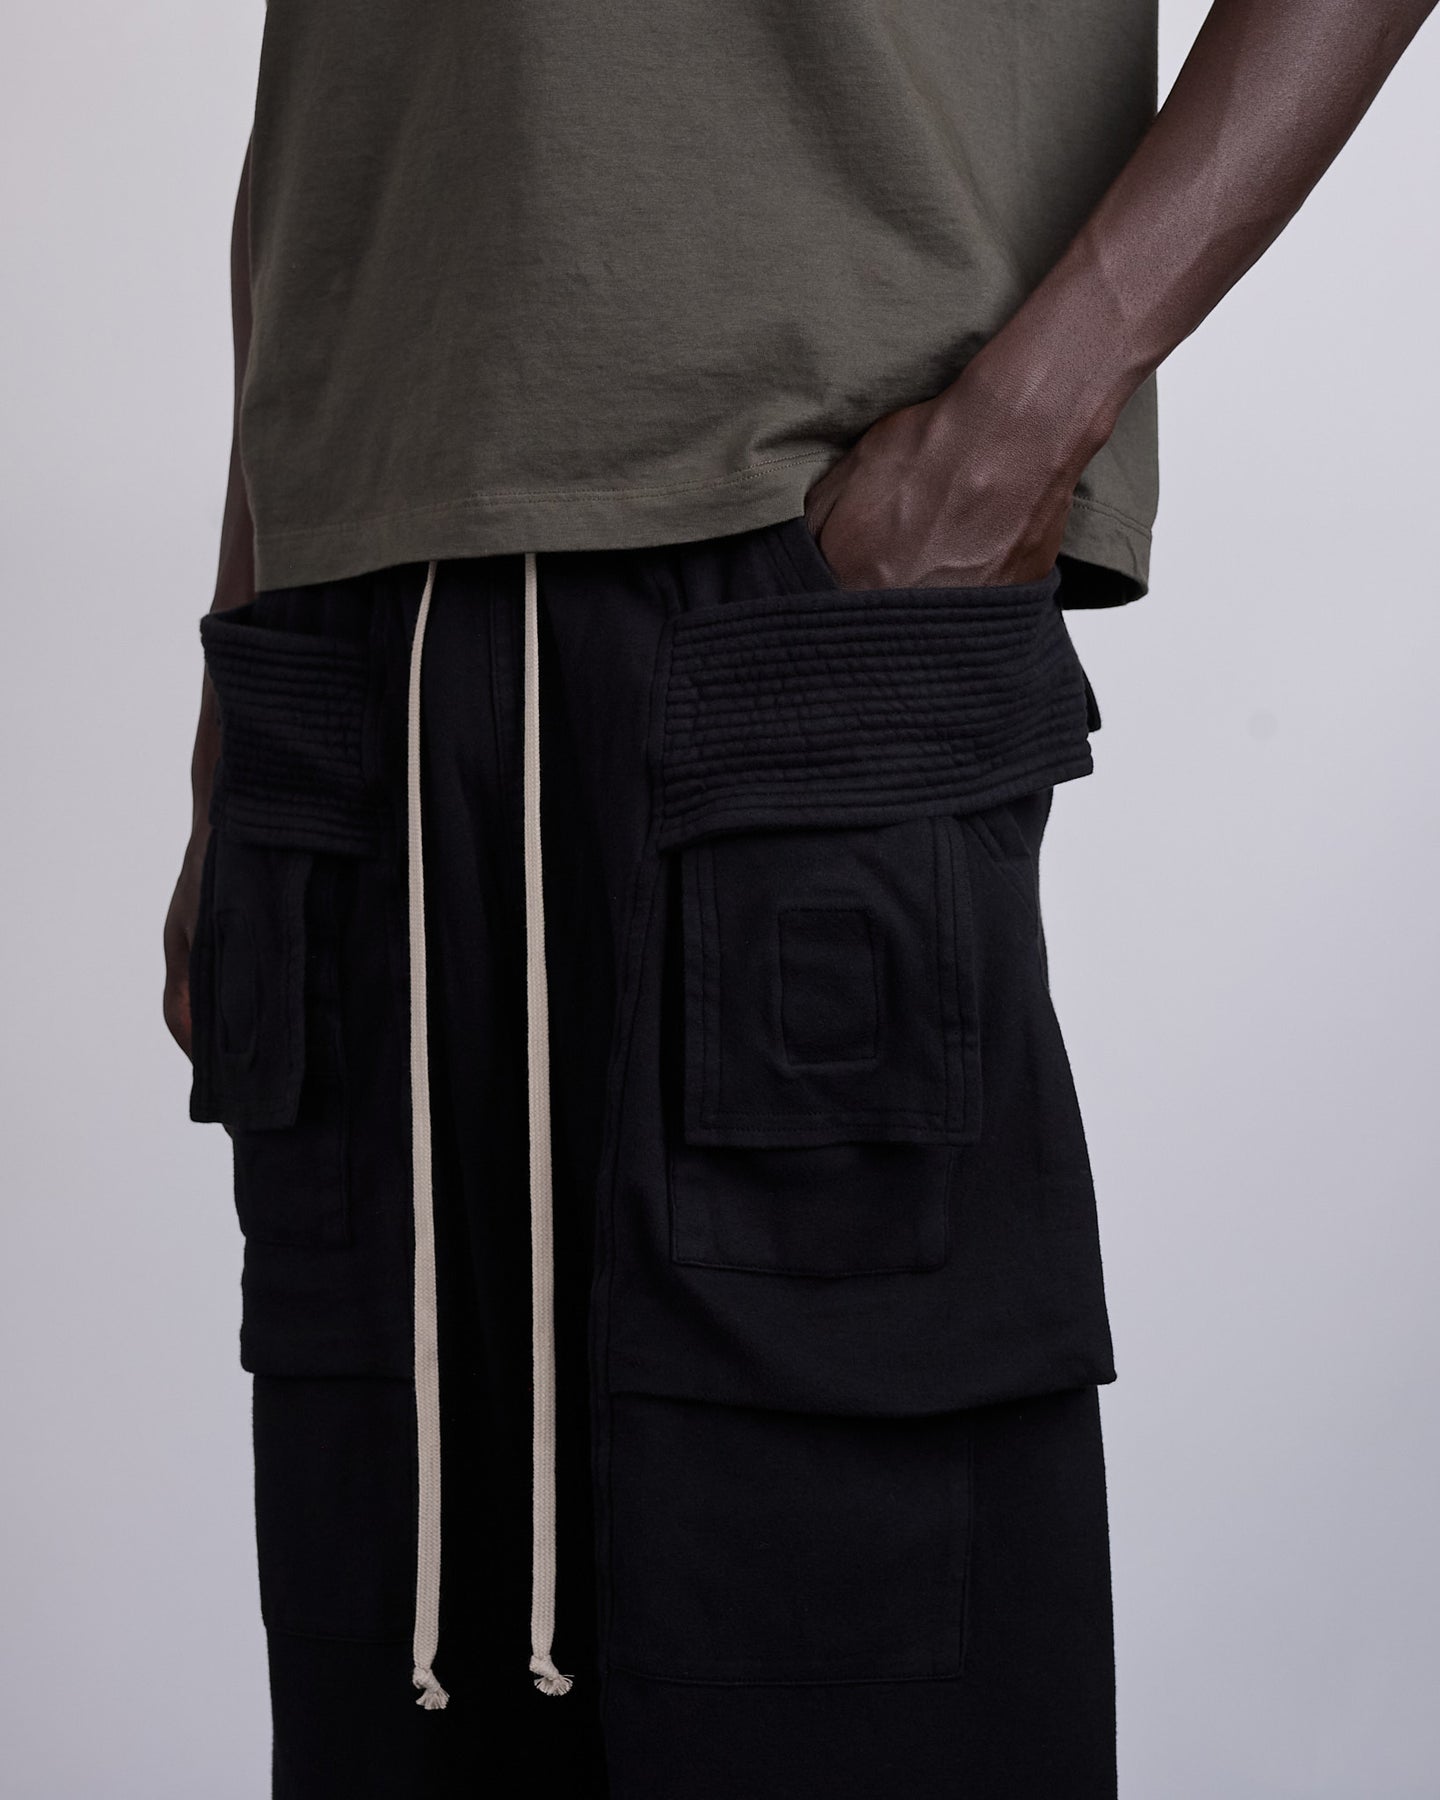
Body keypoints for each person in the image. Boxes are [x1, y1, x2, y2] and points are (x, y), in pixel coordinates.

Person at [162, 3, 1436, 1795]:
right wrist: (242, 664)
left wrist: (1035, 411)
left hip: (797, 576)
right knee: (405, 1695)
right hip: (353, 657)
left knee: (849, 1686)